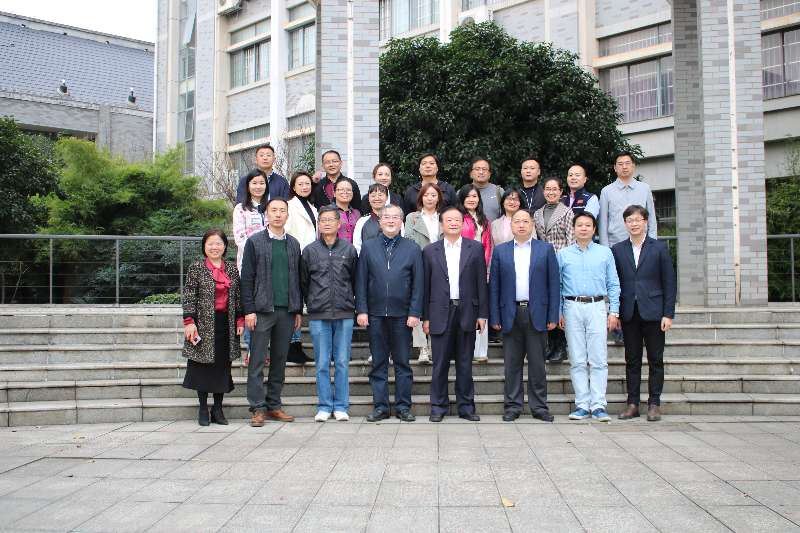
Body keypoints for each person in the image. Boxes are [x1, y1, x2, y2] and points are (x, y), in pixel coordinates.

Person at [356, 204, 424, 422]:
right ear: (380, 221)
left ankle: (403, 407)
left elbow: (418, 283)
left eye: (395, 217)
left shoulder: (412, 248)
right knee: (378, 363)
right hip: (375, 314)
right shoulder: (368, 247)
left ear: (401, 221)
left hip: (403, 315)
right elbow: (361, 280)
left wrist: (415, 312)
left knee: (403, 363)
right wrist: (362, 310)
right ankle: (381, 407)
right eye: (386, 217)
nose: (391, 221)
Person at [489, 210, 559, 422]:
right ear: (511, 226)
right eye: (517, 221)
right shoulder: (500, 251)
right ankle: (512, 406)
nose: (521, 225)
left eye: (525, 221)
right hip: (510, 313)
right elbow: (494, 287)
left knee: (537, 365)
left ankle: (539, 407)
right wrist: (495, 317)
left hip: (537, 313)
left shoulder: (545, 249)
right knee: (512, 365)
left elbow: (554, 284)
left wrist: (553, 315)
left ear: (532, 225)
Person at [240, 198, 303, 426]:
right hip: (261, 310)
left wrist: (297, 309)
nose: (278, 214)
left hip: (287, 311)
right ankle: (258, 408)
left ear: (287, 215)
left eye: (282, 211)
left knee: (279, 360)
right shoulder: (255, 242)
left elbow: (297, 279)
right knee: (257, 360)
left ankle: (274, 405)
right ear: (266, 214)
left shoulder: (294, 244)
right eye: (273, 210)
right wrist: (249, 310)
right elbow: (247, 278)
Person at [423, 206, 487, 422]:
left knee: (465, 364)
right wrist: (426, 317)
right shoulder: (430, 251)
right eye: (448, 220)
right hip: (440, 312)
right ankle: (438, 407)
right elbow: (425, 287)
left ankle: (466, 407)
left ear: (463, 223)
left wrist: (482, 314)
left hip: (467, 311)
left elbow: (481, 282)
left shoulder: (475, 248)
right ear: (441, 224)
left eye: (457, 220)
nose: (453, 223)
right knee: (440, 364)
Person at [612, 205, 676, 422]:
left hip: (655, 312)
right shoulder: (618, 250)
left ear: (645, 222)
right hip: (629, 313)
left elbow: (669, 282)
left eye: (638, 219)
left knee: (656, 359)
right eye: (630, 220)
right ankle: (632, 404)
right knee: (632, 360)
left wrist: (668, 314)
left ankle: (654, 404)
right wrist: (615, 312)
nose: (634, 224)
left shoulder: (659, 248)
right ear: (625, 224)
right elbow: (615, 282)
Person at [558, 212, 621, 423]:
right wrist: (559, 312)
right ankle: (582, 405)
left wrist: (614, 311)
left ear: (594, 229)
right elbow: (558, 285)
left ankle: (598, 405)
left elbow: (613, 283)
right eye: (580, 225)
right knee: (577, 358)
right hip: (572, 306)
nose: (583, 228)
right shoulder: (563, 254)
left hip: (597, 306)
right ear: (573, 229)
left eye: (588, 225)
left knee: (598, 358)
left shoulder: (605, 253)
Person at [300, 205, 359, 422]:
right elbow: (304, 282)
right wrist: (311, 303)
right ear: (318, 224)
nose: (326, 223)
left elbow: (356, 280)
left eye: (330, 219)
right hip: (319, 314)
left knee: (342, 362)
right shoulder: (309, 251)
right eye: (322, 220)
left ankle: (341, 406)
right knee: (322, 363)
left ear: (338, 223)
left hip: (344, 313)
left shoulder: (349, 250)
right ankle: (324, 406)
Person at [182, 229, 244, 426]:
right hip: (202, 324)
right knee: (202, 366)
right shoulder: (196, 268)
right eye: (210, 243)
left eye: (218, 243)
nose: (214, 247)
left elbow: (238, 297)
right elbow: (189, 296)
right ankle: (203, 408)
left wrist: (240, 320)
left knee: (222, 367)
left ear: (225, 246)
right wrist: (189, 321)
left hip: (226, 324)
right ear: (204, 246)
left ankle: (218, 409)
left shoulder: (232, 269)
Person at [534, 178, 574, 363]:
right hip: (542, 262)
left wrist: (568, 263)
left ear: (561, 192)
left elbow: (571, 239)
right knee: (547, 302)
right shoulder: (537, 213)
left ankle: (561, 346)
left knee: (559, 302)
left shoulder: (567, 212)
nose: (551, 192)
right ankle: (550, 345)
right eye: (548, 189)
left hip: (561, 260)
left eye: (554, 189)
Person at [404, 182, 443, 363]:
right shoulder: (412, 217)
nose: (430, 198)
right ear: (421, 197)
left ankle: (435, 344)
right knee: (418, 305)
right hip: (418, 264)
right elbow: (408, 241)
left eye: (433, 195)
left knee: (437, 305)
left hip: (440, 266)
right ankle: (422, 348)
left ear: (438, 198)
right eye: (426, 195)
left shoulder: (444, 217)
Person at [283, 170, 318, 364]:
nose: (305, 187)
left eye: (307, 183)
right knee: (293, 302)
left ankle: (295, 345)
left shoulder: (312, 207)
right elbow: (286, 233)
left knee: (299, 302)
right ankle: (292, 345)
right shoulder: (289, 206)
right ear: (293, 187)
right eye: (300, 184)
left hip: (310, 259)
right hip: (295, 258)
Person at [459, 185, 493, 362]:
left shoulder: (484, 220)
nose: (471, 199)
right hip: (462, 267)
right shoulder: (458, 218)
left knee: (480, 305)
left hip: (480, 266)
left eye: (475, 196)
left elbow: (487, 246)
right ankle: (464, 349)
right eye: (468, 196)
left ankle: (480, 351)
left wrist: (484, 267)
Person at [599, 151, 657, 247]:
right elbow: (603, 222)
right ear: (615, 168)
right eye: (620, 164)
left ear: (633, 166)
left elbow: (651, 219)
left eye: (627, 163)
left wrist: (652, 244)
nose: (624, 167)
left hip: (642, 244)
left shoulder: (645, 189)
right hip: (615, 244)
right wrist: (605, 248)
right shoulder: (606, 191)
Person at [232, 172, 267, 272]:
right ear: (248, 186)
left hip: (269, 259)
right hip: (248, 258)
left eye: (262, 183)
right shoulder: (240, 208)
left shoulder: (271, 207)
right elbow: (240, 237)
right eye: (254, 183)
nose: (258, 187)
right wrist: (257, 252)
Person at [458, 157, 505, 222]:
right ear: (471, 173)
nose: (481, 172)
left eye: (484, 169)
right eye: (477, 169)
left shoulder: (499, 192)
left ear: (489, 174)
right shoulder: (461, 192)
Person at [354, 183, 391, 254]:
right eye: (373, 196)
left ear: (386, 198)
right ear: (368, 198)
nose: (377, 198)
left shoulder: (396, 220)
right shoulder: (362, 221)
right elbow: (357, 246)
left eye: (380, 195)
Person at [333, 179, 360, 244]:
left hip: (354, 249)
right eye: (341, 189)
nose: (345, 192)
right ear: (334, 193)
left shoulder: (357, 214)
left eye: (348, 190)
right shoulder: (327, 212)